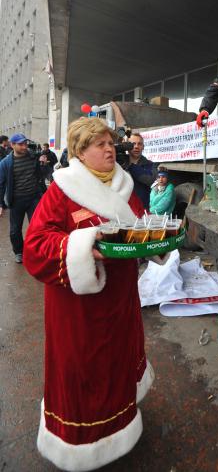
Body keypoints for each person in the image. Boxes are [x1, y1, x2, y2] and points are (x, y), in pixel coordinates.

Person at [22, 117, 154, 471]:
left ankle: (121, 426)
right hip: (78, 309)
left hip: (121, 301)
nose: (110, 149)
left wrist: (158, 237)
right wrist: (81, 245)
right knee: (83, 370)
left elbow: (140, 225)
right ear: (81, 152)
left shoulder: (124, 185)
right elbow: (35, 246)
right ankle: (80, 445)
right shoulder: (61, 190)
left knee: (117, 363)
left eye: (111, 143)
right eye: (100, 144)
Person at [0, 132, 46, 263]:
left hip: (34, 199)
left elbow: (40, 176)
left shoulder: (33, 156)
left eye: (25, 143)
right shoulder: (5, 163)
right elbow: (1, 184)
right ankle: (19, 252)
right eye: (20, 144)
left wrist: (43, 164)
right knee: (15, 230)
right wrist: (1, 205)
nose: (24, 146)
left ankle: (37, 250)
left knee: (38, 227)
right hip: (16, 201)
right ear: (12, 145)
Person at [123, 133, 157, 206]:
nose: (136, 147)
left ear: (143, 147)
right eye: (133, 144)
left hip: (142, 210)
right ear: (127, 146)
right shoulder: (120, 163)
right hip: (123, 208)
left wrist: (131, 166)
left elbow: (151, 180)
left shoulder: (151, 165)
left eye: (139, 144)